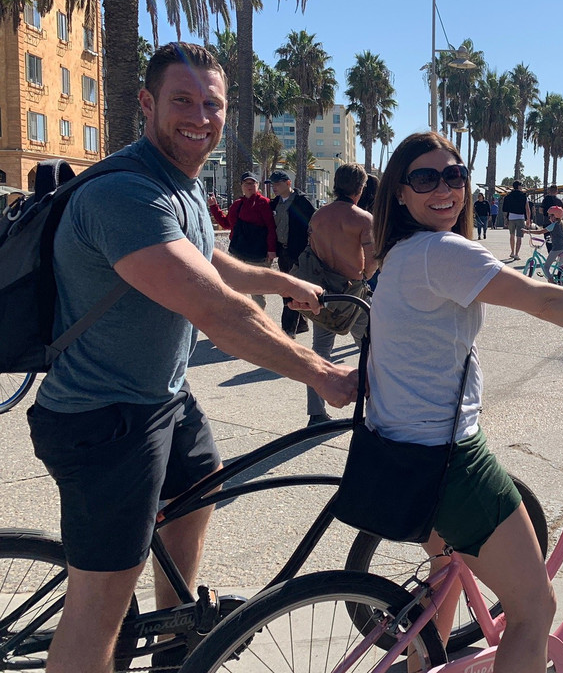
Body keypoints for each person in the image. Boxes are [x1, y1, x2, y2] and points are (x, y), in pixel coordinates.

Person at [25, 42, 358, 673]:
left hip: (163, 402)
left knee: (200, 486)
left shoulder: (176, 185)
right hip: (105, 419)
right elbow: (216, 312)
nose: (199, 116)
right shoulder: (126, 194)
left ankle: (175, 648)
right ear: (147, 103)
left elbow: (206, 261)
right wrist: (324, 373)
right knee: (99, 604)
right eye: (183, 100)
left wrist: (281, 282)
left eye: (213, 104)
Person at [366, 131, 563, 672]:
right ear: (399, 192)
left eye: (454, 176)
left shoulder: (396, 254)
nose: (444, 189)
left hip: (394, 453)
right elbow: (542, 298)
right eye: (424, 178)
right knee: (535, 607)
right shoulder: (441, 251)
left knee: (445, 579)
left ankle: (421, 664)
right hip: (447, 461)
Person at [301, 163, 376, 426]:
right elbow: (373, 258)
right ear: (360, 187)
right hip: (352, 294)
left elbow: (311, 249)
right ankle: (378, 406)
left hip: (322, 292)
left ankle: (316, 413)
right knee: (372, 347)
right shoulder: (362, 219)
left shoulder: (319, 216)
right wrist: (365, 276)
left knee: (320, 351)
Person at [207, 171, 276, 309]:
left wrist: (271, 250)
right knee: (235, 287)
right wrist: (214, 207)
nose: (249, 186)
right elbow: (227, 223)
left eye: (252, 183)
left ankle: (258, 318)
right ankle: (240, 317)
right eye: (246, 183)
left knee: (256, 290)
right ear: (242, 186)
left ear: (258, 185)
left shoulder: (265, 203)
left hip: (258, 254)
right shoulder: (237, 204)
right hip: (238, 252)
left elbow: (271, 228)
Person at [269, 169, 315, 336]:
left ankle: (288, 330)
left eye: (278, 183)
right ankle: (301, 324)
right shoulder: (274, 204)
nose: (274, 186)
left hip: (299, 252)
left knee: (290, 289)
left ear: (288, 183)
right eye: (272, 184)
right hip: (283, 252)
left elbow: (315, 222)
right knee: (287, 288)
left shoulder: (302, 202)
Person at [526, 205, 563, 282]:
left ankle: (551, 282)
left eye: (550, 216)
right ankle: (560, 280)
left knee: (546, 267)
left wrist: (528, 231)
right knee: (559, 268)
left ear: (554, 216)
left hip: (557, 249)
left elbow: (540, 232)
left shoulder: (553, 225)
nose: (549, 218)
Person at [502, 179, 530, 260]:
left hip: (511, 217)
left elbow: (505, 209)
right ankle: (517, 254)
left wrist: (505, 219)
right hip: (520, 217)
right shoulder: (524, 196)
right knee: (519, 237)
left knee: (512, 235)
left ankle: (512, 252)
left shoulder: (508, 196)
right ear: (519, 186)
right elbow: (527, 208)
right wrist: (528, 219)